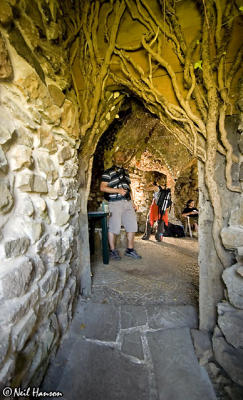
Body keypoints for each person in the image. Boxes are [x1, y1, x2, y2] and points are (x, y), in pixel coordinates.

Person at [100, 150, 142, 260]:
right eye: (117, 156)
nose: (120, 158)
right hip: (115, 203)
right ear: (113, 159)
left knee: (132, 226)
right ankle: (113, 251)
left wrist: (133, 202)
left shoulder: (126, 172)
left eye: (122, 156)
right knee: (114, 227)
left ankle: (130, 250)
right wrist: (118, 191)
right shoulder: (107, 172)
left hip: (127, 203)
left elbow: (129, 189)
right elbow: (102, 187)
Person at [142, 176, 170, 242]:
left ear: (157, 181)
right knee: (161, 222)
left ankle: (147, 235)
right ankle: (159, 237)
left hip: (155, 206)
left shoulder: (156, 188)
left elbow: (145, 188)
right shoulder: (167, 188)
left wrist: (150, 183)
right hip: (163, 207)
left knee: (149, 220)